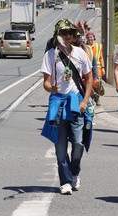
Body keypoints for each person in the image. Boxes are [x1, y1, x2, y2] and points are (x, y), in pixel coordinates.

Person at [40, 19, 93, 195]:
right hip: (58, 102)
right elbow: (46, 83)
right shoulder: (50, 55)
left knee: (78, 143)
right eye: (64, 33)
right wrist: (51, 88)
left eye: (70, 33)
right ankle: (65, 181)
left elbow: (90, 77)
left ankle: (75, 172)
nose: (67, 36)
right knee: (60, 147)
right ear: (57, 35)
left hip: (76, 102)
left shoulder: (80, 53)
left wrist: (85, 101)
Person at [86, 31, 105, 106]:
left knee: (97, 84)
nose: (90, 38)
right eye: (88, 37)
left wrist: (103, 67)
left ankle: (97, 98)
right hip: (89, 68)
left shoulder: (99, 46)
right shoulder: (85, 47)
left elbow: (101, 57)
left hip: (98, 68)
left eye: (91, 37)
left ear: (94, 38)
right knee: (90, 84)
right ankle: (92, 98)